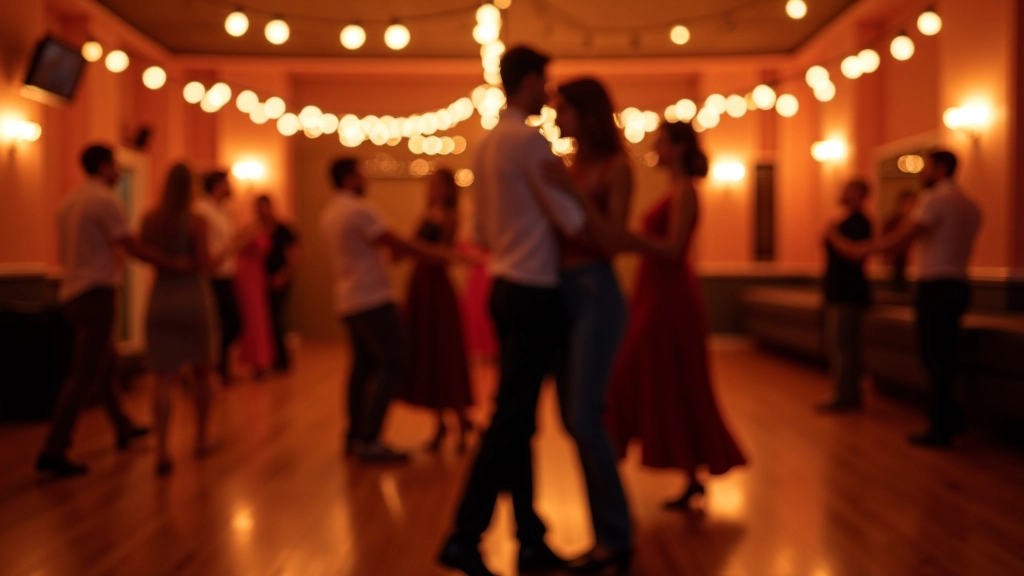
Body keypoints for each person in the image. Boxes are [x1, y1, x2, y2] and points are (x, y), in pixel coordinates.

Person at [437, 46, 586, 576]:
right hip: (534, 288)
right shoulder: (529, 140)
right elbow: (571, 221)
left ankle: (529, 539)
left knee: (517, 420)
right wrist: (576, 189)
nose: (548, 92)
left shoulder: (485, 144)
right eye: (544, 82)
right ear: (527, 82)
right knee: (510, 419)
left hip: (504, 284)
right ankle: (464, 534)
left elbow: (479, 233)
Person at [560, 122, 746, 511]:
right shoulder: (674, 190)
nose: (654, 148)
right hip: (656, 292)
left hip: (670, 298)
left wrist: (628, 239)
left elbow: (674, 249)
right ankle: (673, 473)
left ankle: (612, 465)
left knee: (650, 375)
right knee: (658, 377)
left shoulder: (686, 192)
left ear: (678, 148)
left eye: (661, 143)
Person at [36, 144, 184, 477]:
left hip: (72, 292)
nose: (117, 172)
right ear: (104, 167)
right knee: (84, 373)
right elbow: (128, 244)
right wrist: (171, 263)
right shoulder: (104, 200)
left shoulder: (69, 201)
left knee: (105, 365)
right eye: (114, 166)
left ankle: (123, 426)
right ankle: (53, 448)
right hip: (96, 294)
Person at [546, 77, 634, 573]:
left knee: (584, 417)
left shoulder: (615, 167)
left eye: (564, 109)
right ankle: (606, 534)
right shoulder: (571, 165)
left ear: (586, 113)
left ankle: (616, 537)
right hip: (561, 292)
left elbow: (612, 243)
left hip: (596, 292)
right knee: (572, 419)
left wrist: (573, 197)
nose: (556, 116)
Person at [320, 158, 460, 464]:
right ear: (349, 180)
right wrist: (443, 255)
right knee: (393, 361)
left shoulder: (330, 211)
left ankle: (356, 436)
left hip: (347, 300)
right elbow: (400, 245)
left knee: (362, 366)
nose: (367, 180)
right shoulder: (359, 210)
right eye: (362, 175)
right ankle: (370, 438)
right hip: (371, 297)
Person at [871, 150, 981, 448]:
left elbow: (905, 236)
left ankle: (940, 428)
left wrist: (868, 249)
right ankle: (953, 419)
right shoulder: (971, 205)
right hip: (960, 285)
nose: (923, 173)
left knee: (934, 358)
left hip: (935, 286)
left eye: (927, 167)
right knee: (948, 356)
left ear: (941, 169)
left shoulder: (934, 199)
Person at [139, 163, 218, 475]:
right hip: (192, 299)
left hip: (161, 299)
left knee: (162, 379)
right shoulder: (197, 222)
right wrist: (229, 249)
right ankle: (201, 437)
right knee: (202, 373)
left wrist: (167, 263)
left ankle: (161, 449)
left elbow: (140, 252)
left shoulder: (150, 220)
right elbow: (205, 265)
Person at [395, 169, 474, 452]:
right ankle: (440, 424)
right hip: (421, 285)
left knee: (445, 353)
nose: (431, 189)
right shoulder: (427, 215)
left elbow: (442, 252)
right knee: (427, 353)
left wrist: (409, 247)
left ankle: (461, 422)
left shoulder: (450, 217)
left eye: (436, 184)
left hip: (437, 288)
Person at [817, 180, 873, 412]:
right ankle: (846, 393)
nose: (842, 193)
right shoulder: (844, 220)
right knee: (840, 344)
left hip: (849, 293)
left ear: (858, 194)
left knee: (844, 346)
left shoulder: (861, 222)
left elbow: (856, 254)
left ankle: (845, 395)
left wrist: (833, 236)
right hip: (838, 291)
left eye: (847, 190)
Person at [196, 171, 241, 382]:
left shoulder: (225, 211)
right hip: (210, 275)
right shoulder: (202, 209)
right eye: (226, 183)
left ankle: (219, 367)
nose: (230, 186)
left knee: (232, 323)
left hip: (226, 273)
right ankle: (211, 369)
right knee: (217, 324)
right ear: (217, 185)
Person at [258, 195, 300, 372]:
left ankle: (282, 359)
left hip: (280, 279)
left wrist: (283, 275)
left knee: (277, 318)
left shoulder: (283, 230)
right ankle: (269, 357)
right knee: (265, 320)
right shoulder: (257, 229)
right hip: (260, 282)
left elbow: (294, 254)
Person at [234, 203, 275, 377]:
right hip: (247, 273)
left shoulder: (267, 228)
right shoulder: (251, 228)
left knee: (260, 318)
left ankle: (261, 361)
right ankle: (254, 360)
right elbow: (237, 246)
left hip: (258, 274)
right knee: (253, 318)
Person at [884, 191, 916, 292]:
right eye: (906, 204)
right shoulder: (892, 222)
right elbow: (886, 242)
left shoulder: (917, 222)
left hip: (913, 268)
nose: (909, 207)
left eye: (911, 204)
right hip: (893, 266)